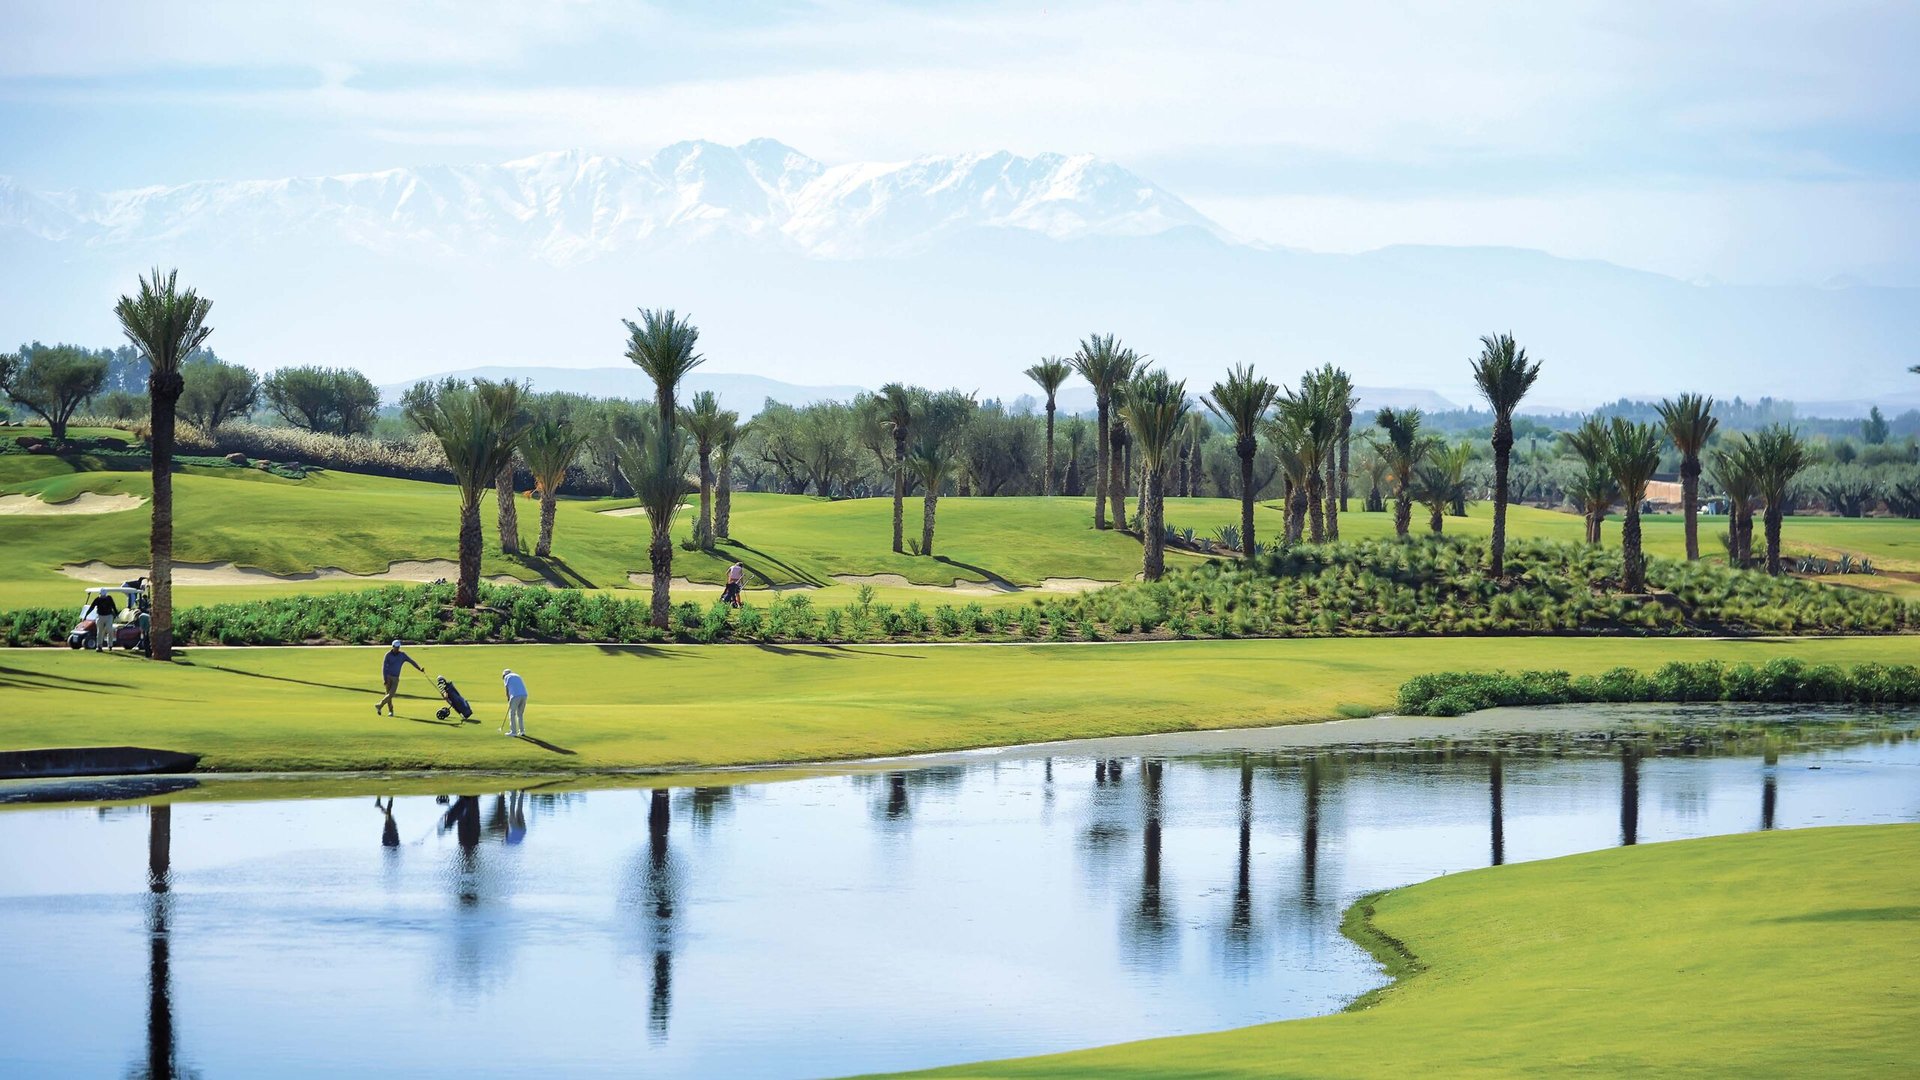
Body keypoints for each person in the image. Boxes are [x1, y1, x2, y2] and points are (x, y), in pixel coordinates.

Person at [376, 640, 423, 716]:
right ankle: (390, 711)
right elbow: (384, 668)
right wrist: (384, 678)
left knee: (391, 694)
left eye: (398, 647)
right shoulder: (388, 655)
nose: (397, 649)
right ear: (393, 647)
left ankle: (379, 705)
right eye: (396, 647)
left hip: (395, 678)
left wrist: (419, 668)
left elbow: (411, 661)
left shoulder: (402, 655)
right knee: (388, 695)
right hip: (388, 677)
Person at [502, 668, 529, 737]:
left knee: (512, 713)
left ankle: (513, 732)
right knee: (520, 714)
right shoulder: (517, 675)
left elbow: (507, 690)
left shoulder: (507, 677)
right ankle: (522, 731)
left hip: (515, 696)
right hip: (524, 695)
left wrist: (508, 699)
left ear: (505, 674)